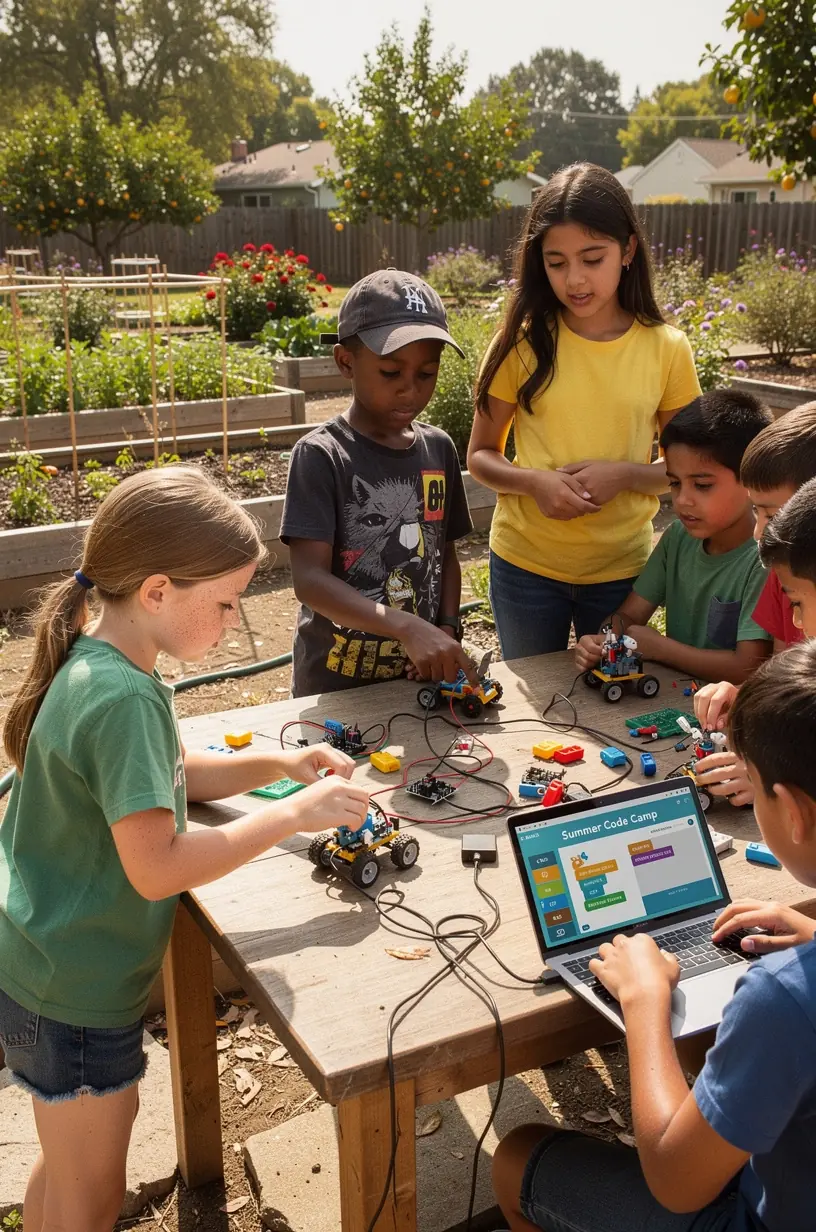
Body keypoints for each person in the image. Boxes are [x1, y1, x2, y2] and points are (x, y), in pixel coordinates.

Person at [0, 467, 369, 1232]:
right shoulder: (126, 698)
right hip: (75, 995)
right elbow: (158, 863)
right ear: (159, 590)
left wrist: (279, 765)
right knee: (93, 1196)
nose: (236, 621)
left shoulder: (101, 660)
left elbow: (166, 776)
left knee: (67, 1168)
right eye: (227, 602)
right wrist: (292, 815)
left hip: (43, 970)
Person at [492, 638, 816, 1232]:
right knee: (700, 1042)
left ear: (792, 812)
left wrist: (643, 1004)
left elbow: (676, 1184)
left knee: (516, 1157)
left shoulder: (786, 996)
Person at [467, 162, 701, 660]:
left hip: (624, 572)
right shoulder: (519, 343)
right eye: (556, 262)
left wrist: (627, 475)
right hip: (524, 567)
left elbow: (686, 471)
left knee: (611, 703)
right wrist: (535, 483)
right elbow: (481, 455)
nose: (575, 279)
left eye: (592, 258)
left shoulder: (667, 349)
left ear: (628, 250)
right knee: (535, 725)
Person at [281, 269, 476, 698]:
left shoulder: (438, 450)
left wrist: (444, 630)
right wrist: (406, 626)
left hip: (417, 679)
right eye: (391, 372)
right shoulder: (322, 456)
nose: (410, 390)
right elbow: (309, 580)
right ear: (345, 361)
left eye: (427, 374)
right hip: (335, 684)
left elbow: (444, 554)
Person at [575, 390, 773, 685]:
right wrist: (605, 639)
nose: (682, 501)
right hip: (675, 697)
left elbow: (746, 667)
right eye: (675, 483)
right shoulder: (678, 538)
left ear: (752, 478)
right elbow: (629, 615)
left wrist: (660, 649)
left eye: (702, 485)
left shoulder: (764, 560)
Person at [693, 404, 816, 807]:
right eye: (755, 512)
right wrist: (746, 693)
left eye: (773, 514)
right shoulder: (784, 579)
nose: (759, 531)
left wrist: (774, 776)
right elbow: (794, 690)